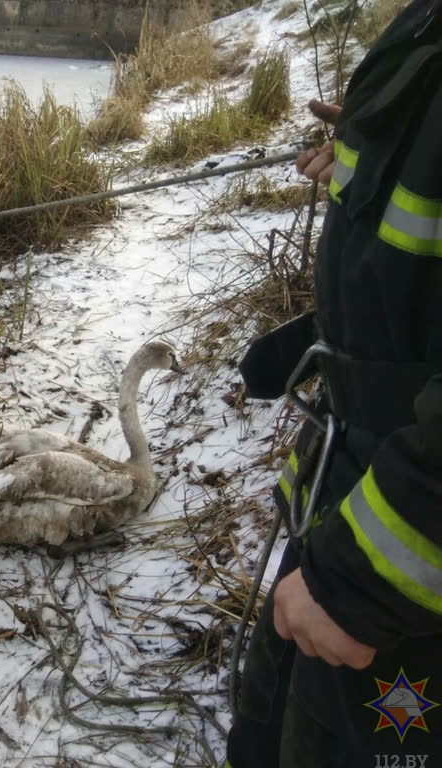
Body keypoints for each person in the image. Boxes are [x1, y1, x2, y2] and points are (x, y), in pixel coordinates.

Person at [228, 0, 442, 764]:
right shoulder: (423, 26)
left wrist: (364, 583)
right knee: (269, 731)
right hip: (344, 496)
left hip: (399, 574)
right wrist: (380, 144)